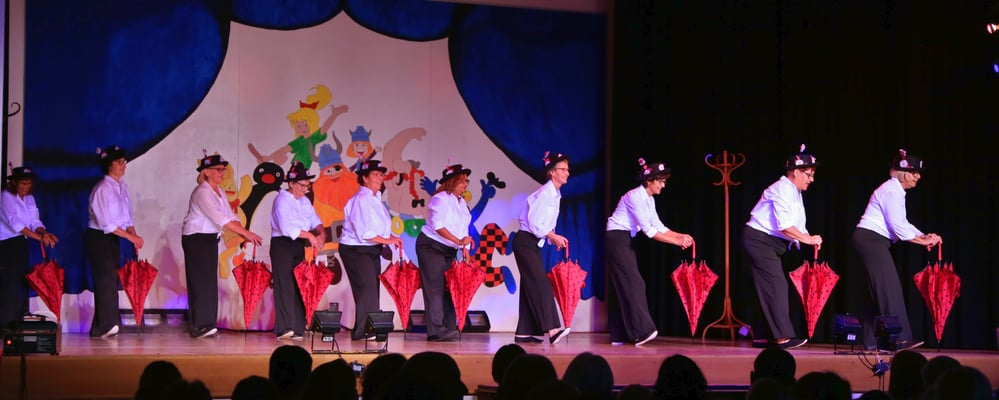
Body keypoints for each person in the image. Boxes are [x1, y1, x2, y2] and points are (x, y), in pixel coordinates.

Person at [853, 149, 940, 352]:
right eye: (914, 172)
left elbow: (903, 222)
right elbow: (898, 227)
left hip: (870, 240)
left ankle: (870, 340)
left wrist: (923, 235)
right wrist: (922, 241)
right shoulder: (892, 191)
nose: (918, 177)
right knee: (888, 287)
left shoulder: (896, 191)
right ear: (903, 173)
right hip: (870, 240)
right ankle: (899, 339)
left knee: (875, 292)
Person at [605, 159, 693, 346]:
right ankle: (642, 331)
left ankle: (620, 334)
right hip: (616, 237)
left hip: (624, 239)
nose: (663, 185)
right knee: (634, 282)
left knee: (624, 284)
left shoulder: (649, 200)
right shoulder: (635, 197)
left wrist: (680, 236)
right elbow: (649, 231)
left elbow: (659, 226)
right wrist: (677, 242)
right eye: (660, 181)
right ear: (649, 181)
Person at [743, 145, 821, 349]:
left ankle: (761, 336)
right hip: (759, 241)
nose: (811, 179)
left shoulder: (794, 191)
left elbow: (797, 223)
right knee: (776, 286)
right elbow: (785, 226)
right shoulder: (782, 189)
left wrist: (807, 237)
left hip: (767, 243)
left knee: (766, 287)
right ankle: (782, 337)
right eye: (809, 175)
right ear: (796, 172)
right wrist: (809, 239)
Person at [182, 151, 262, 339]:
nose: (221, 173)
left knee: (210, 281)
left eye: (223, 169)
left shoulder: (220, 192)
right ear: (206, 172)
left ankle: (208, 323)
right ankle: (199, 325)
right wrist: (246, 233)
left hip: (209, 238)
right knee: (200, 281)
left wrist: (243, 232)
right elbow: (221, 219)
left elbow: (230, 215)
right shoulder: (202, 192)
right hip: (196, 238)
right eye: (218, 169)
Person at [512, 151, 571, 344]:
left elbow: (545, 224)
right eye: (563, 169)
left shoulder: (555, 194)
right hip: (525, 242)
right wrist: (553, 236)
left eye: (567, 169)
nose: (567, 172)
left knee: (530, 285)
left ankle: (524, 332)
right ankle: (553, 329)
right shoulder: (546, 193)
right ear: (552, 172)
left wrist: (552, 238)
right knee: (541, 284)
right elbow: (536, 223)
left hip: (532, 243)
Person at [341, 159, 402, 340]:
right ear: (364, 178)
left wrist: (390, 238)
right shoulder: (361, 200)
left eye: (381, 174)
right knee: (367, 287)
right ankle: (365, 330)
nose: (379, 178)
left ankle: (365, 329)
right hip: (356, 249)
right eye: (375, 174)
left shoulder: (376, 199)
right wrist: (388, 240)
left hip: (370, 249)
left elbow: (378, 227)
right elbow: (364, 233)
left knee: (371, 288)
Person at [87, 145, 144, 338]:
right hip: (99, 237)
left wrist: (134, 236)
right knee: (105, 280)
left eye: (124, 161)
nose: (123, 165)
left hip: (114, 237)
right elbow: (106, 224)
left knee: (112, 279)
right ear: (108, 164)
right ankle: (106, 324)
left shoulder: (122, 187)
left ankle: (103, 325)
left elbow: (127, 218)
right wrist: (130, 237)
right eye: (119, 162)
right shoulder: (103, 188)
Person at [415, 163, 472, 342]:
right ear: (451, 182)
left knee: (448, 288)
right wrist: (459, 242)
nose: (465, 184)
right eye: (462, 181)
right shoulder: (439, 199)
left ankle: (449, 327)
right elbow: (438, 226)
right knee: (435, 288)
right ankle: (436, 330)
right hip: (431, 247)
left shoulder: (461, 202)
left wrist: (465, 248)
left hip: (448, 249)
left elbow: (464, 228)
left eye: (466, 181)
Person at [270, 161, 324, 340]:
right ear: (291, 183)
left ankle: (298, 327)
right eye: (302, 185)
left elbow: (315, 221)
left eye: (307, 186)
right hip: (282, 244)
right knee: (284, 285)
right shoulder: (281, 200)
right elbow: (287, 228)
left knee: (300, 285)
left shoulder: (305, 201)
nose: (305, 189)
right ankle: (284, 328)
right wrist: (309, 236)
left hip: (299, 245)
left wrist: (321, 234)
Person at [0, 165, 59, 327]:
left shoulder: (30, 199)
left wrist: (44, 233)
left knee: (21, 283)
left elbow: (34, 222)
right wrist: (39, 238)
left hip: (22, 243)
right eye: (22, 183)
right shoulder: (6, 197)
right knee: (10, 285)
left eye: (28, 183)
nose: (26, 187)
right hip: (7, 244)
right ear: (14, 183)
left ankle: (17, 322)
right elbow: (16, 224)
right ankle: (5, 325)